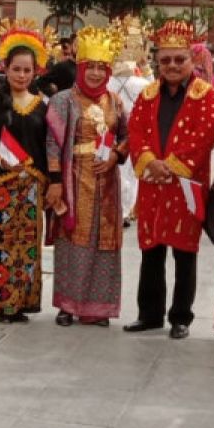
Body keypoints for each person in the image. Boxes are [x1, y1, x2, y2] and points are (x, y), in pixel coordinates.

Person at [125, 20, 214, 339]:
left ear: (192, 60)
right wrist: (150, 162)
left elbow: (204, 136)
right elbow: (136, 131)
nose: (173, 65)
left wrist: (172, 166)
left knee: (184, 252)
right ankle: (149, 314)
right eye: (166, 60)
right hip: (152, 183)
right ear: (158, 62)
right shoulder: (147, 94)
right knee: (150, 251)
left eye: (179, 59)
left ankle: (181, 317)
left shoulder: (205, 95)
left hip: (185, 185)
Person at [0, 19, 52, 323]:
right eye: (16, 69)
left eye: (27, 70)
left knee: (26, 247)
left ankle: (21, 304)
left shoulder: (44, 108)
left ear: (35, 72)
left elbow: (49, 149)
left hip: (31, 188)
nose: (21, 75)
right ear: (5, 68)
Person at [46, 26, 128, 327]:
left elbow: (126, 135)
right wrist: (55, 182)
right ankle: (67, 305)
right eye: (89, 67)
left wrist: (117, 157)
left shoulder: (116, 101)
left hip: (106, 183)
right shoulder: (64, 100)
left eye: (101, 68)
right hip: (75, 178)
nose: (95, 73)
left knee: (103, 244)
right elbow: (53, 143)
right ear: (80, 67)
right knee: (73, 242)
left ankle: (98, 308)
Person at [109, 57, 151, 228]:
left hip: (113, 130)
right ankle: (125, 211)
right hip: (134, 130)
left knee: (116, 170)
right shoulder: (141, 83)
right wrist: (147, 70)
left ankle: (115, 209)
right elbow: (153, 90)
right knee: (130, 174)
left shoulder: (108, 82)